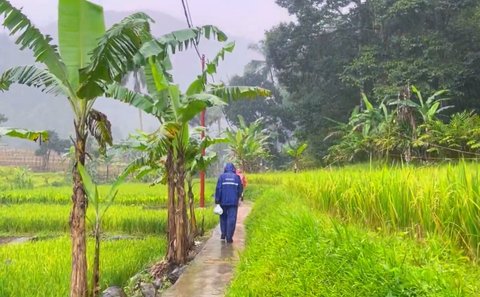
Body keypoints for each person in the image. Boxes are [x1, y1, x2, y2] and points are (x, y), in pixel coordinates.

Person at [215, 163, 243, 243]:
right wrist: (238, 197)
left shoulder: (221, 177)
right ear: (233, 168)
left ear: (225, 168)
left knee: (223, 218)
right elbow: (240, 189)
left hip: (223, 202)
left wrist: (217, 200)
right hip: (233, 202)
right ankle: (229, 237)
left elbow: (218, 189)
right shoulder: (237, 177)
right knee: (232, 219)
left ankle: (223, 234)